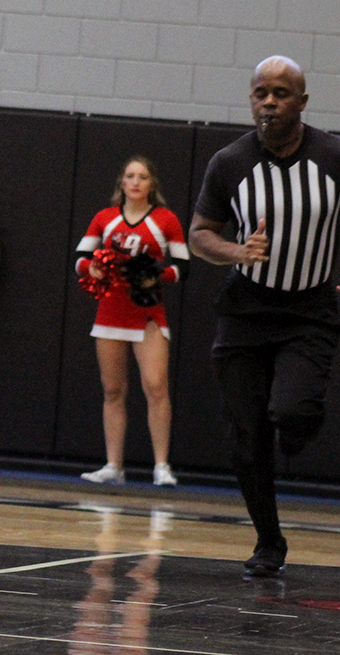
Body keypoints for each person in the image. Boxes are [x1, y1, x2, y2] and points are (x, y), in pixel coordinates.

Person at [189, 55, 340, 578]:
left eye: (280, 93)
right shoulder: (229, 162)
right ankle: (268, 541)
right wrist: (236, 252)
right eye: (260, 93)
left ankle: (298, 425)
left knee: (292, 412)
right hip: (246, 310)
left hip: (310, 309)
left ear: (302, 100)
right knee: (245, 436)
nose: (269, 102)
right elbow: (199, 234)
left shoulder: (334, 156)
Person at [75, 157, 188, 487]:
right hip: (111, 310)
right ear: (121, 183)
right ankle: (113, 465)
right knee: (113, 390)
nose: (136, 182)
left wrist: (157, 276)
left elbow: (183, 266)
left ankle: (162, 466)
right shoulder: (105, 218)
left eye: (142, 176)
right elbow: (79, 258)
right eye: (130, 176)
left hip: (148, 312)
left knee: (155, 386)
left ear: (151, 183)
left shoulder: (165, 220)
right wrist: (90, 268)